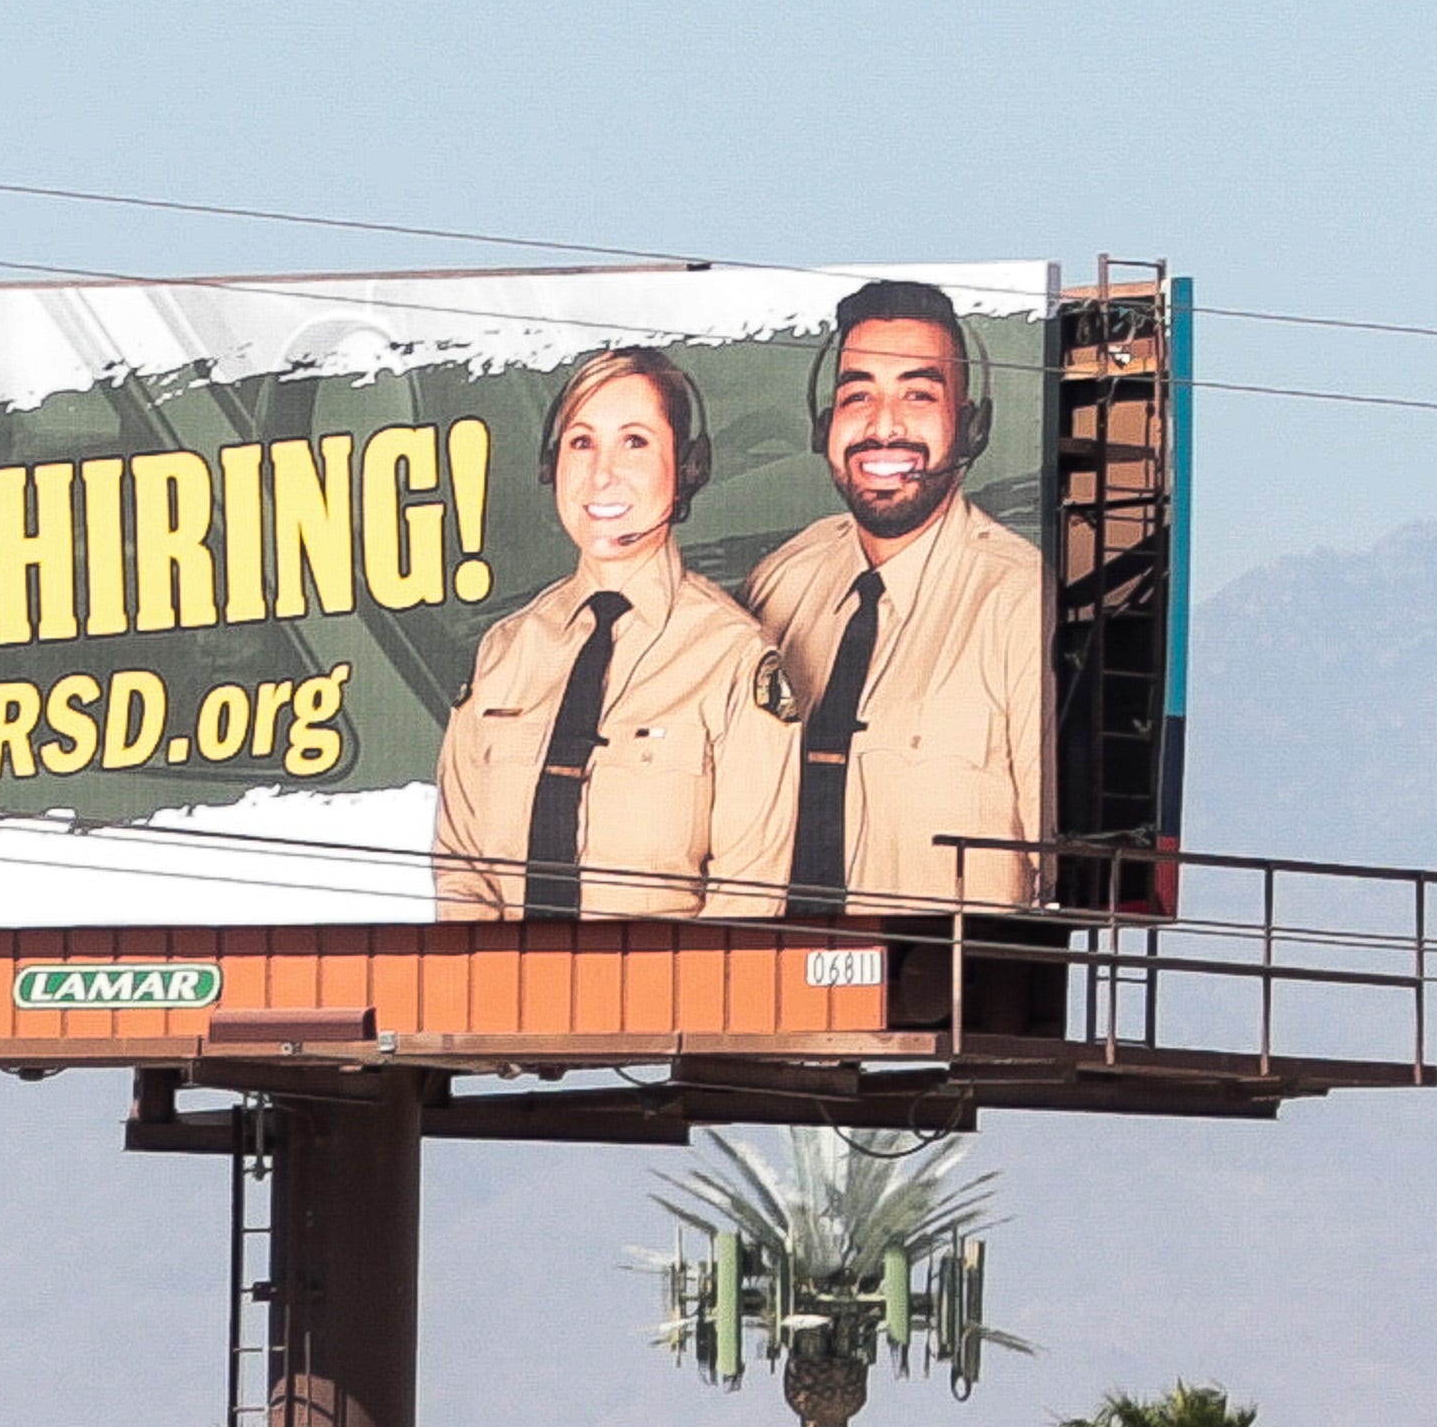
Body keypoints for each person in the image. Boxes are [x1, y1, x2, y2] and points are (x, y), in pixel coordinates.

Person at [432, 347, 794, 919]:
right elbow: (462, 874)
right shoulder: (505, 653)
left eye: (635, 441)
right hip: (502, 999)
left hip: (662, 1001)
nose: (602, 474)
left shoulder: (735, 658)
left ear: (687, 467)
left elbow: (747, 903)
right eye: (581, 442)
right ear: (552, 466)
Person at [745, 281, 1049, 936]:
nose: (883, 425)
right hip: (761, 996)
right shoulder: (778, 583)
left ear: (970, 424)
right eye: (858, 395)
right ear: (825, 424)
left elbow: (1063, 865)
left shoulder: (1025, 602)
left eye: (918, 394)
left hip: (946, 1008)